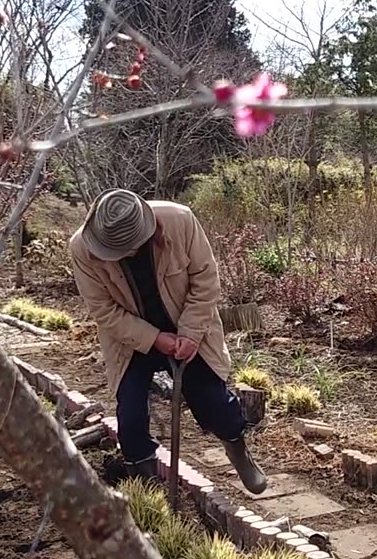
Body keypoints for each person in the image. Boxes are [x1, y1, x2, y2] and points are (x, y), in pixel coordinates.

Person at [69, 188, 268, 494]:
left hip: (188, 329)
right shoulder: (82, 249)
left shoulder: (179, 221)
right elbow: (103, 311)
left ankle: (238, 451)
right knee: (131, 414)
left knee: (214, 402)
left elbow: (206, 279)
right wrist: (155, 339)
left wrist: (189, 333)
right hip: (130, 339)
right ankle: (147, 482)